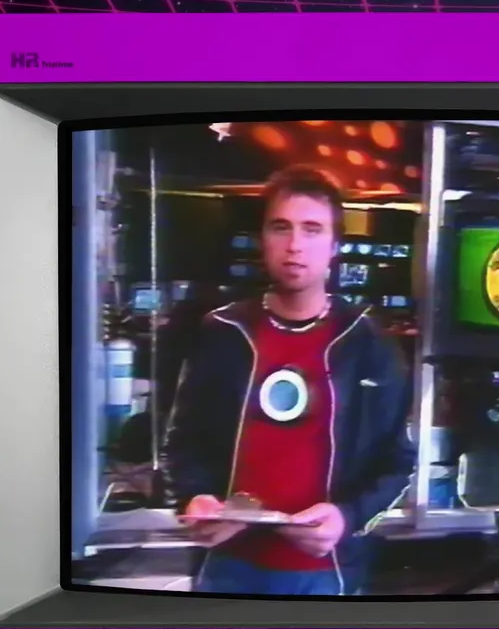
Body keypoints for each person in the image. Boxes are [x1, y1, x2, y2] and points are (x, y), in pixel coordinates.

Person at [166, 165, 415, 596]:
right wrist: (196, 497)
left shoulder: (368, 342)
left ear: (334, 246)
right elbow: (183, 442)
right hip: (225, 567)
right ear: (263, 239)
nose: (295, 245)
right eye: (281, 227)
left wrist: (348, 517)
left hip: (327, 574)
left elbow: (397, 463)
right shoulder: (223, 332)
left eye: (312, 229)